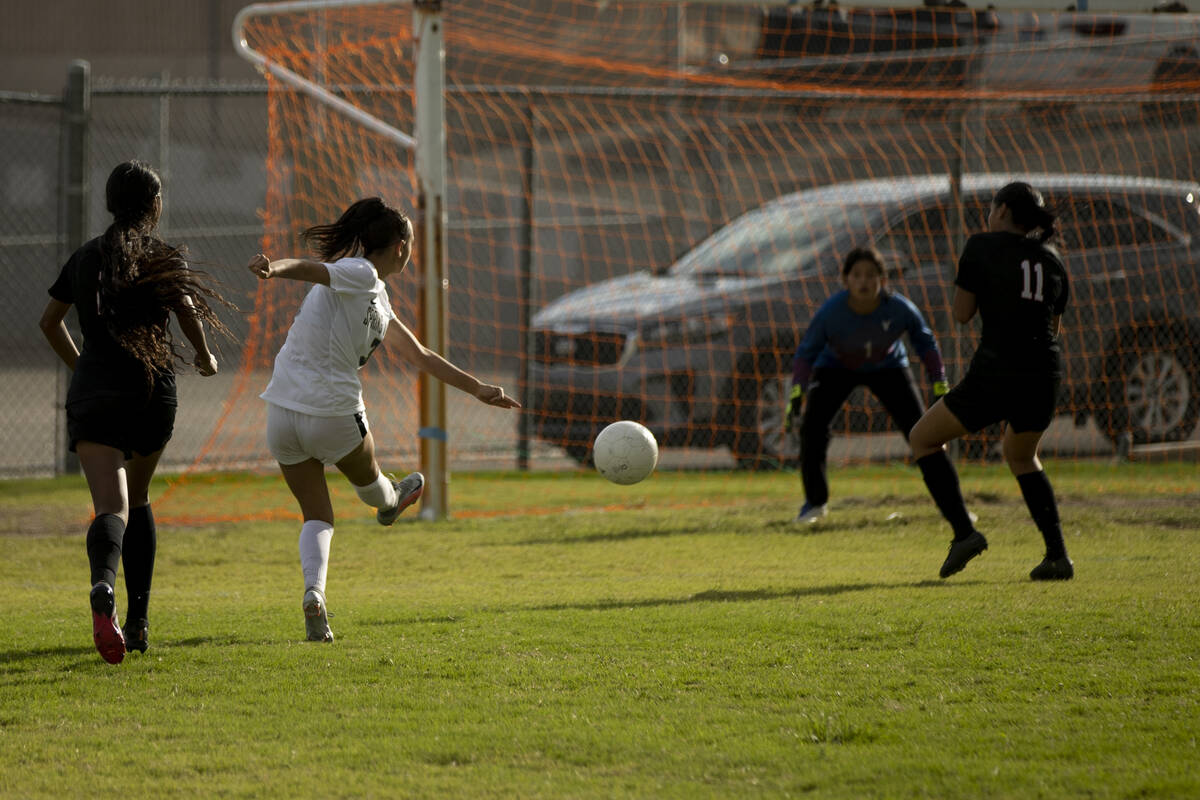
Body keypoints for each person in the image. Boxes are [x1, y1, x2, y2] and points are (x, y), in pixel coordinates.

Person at [248, 196, 521, 643]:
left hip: (280, 411)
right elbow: (311, 268)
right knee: (373, 485)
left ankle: (314, 594)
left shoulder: (377, 296)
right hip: (333, 412)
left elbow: (420, 354)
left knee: (317, 515)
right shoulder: (361, 272)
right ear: (399, 246)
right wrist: (272, 268)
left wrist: (479, 389)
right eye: (410, 242)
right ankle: (393, 501)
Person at [38, 160, 230, 664]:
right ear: (155, 205)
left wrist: (82, 365)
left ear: (109, 204)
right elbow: (187, 311)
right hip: (150, 393)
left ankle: (104, 588)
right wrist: (206, 356)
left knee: (111, 507)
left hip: (95, 393)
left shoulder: (85, 258)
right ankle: (140, 622)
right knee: (140, 497)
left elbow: (50, 321)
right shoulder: (163, 256)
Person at [908, 181, 1073, 581]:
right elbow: (1053, 325)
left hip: (999, 370)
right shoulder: (1052, 259)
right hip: (1044, 373)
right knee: (1020, 455)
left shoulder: (981, 246)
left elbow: (963, 314)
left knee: (923, 439)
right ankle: (1057, 556)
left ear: (1000, 211)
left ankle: (964, 533)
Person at [785, 246, 950, 524]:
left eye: (871, 275)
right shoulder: (831, 312)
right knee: (812, 429)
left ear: (883, 280)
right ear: (846, 280)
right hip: (836, 367)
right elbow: (805, 353)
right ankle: (814, 504)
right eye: (857, 275)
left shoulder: (900, 308)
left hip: (888, 367)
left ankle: (950, 505)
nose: (864, 281)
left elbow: (926, 343)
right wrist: (797, 391)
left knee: (922, 433)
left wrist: (939, 383)